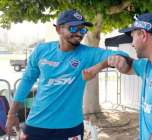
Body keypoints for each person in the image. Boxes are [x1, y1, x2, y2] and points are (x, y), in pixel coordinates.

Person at [5, 9, 128, 140]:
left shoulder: (87, 54)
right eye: (74, 28)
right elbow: (27, 81)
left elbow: (122, 55)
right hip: (36, 124)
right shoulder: (42, 50)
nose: (79, 34)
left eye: (82, 30)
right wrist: (12, 114)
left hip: (70, 128)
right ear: (59, 29)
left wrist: (98, 67)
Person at [84, 13, 152, 140]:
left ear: (143, 34)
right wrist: (105, 65)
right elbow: (127, 64)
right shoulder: (147, 65)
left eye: (133, 37)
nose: (132, 44)